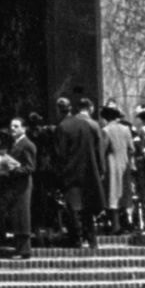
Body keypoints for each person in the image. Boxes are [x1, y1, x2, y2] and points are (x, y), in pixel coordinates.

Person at [52, 95, 106, 251]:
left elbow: (60, 155)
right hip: (88, 172)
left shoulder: (62, 127)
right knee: (87, 208)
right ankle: (92, 239)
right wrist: (99, 170)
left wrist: (58, 175)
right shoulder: (86, 125)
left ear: (58, 110)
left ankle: (76, 239)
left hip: (71, 173)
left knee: (73, 208)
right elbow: (97, 149)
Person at [0, 117, 37, 258]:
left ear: (24, 128)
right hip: (14, 185)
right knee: (16, 216)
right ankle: (18, 247)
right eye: (11, 126)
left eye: (16, 126)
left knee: (22, 215)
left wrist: (13, 169)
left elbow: (30, 167)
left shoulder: (27, 145)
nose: (13, 129)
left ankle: (24, 250)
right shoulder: (14, 143)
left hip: (22, 186)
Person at [99, 105, 135, 234]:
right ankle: (127, 223)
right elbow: (132, 149)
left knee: (112, 196)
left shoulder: (106, 130)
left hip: (111, 167)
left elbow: (102, 151)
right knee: (124, 195)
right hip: (124, 165)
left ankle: (116, 226)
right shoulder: (126, 129)